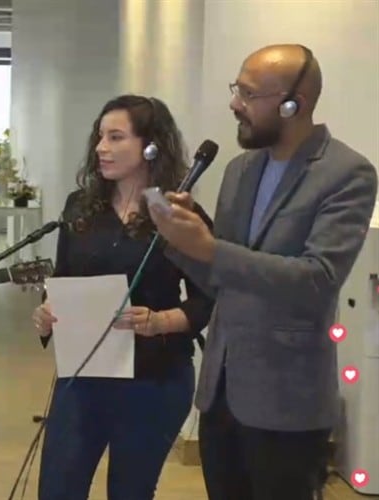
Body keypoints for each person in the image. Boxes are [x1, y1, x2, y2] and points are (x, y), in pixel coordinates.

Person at [149, 44, 378, 499]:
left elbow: (317, 279)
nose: (235, 104)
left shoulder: (347, 174)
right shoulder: (239, 169)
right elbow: (223, 275)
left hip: (287, 404)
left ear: (294, 103)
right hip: (222, 393)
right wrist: (177, 239)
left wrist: (210, 248)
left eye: (249, 94)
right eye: (237, 89)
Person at [31, 95, 215, 499]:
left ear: (151, 146)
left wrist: (160, 321)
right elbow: (62, 279)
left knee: (130, 491)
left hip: (155, 379)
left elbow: (208, 299)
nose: (101, 147)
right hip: (83, 376)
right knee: (58, 489)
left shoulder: (179, 213)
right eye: (100, 136)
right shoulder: (79, 207)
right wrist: (48, 312)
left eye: (116, 137)